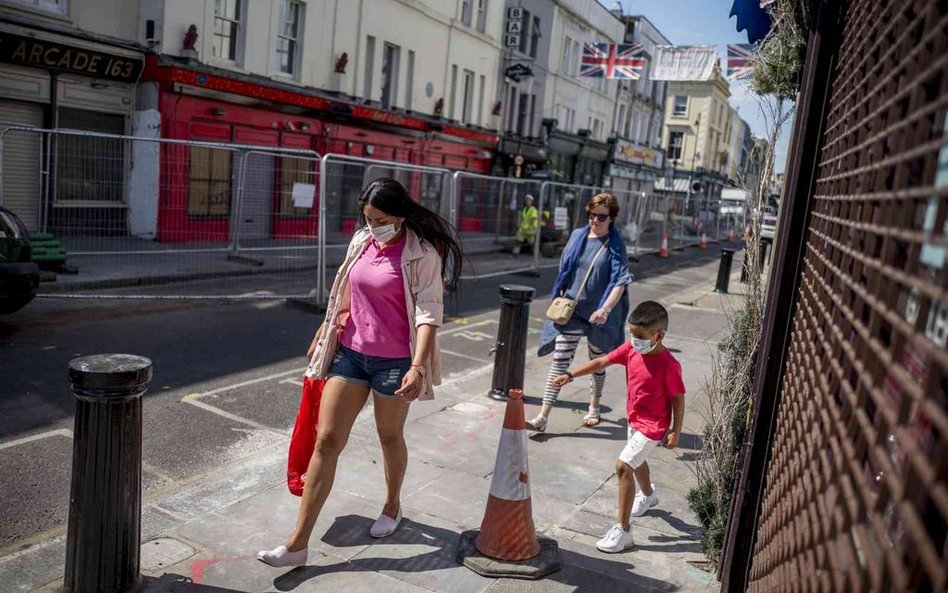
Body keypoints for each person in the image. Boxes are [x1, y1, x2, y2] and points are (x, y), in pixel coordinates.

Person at [257, 178, 462, 567]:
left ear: (400, 215)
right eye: (367, 218)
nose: (373, 226)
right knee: (326, 440)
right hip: (351, 354)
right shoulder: (362, 241)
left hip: (395, 362)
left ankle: (392, 504)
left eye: (380, 219)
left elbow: (428, 313)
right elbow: (345, 292)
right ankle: (298, 544)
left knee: (389, 436)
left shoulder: (422, 253)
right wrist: (324, 331)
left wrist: (417, 367)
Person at [549, 301, 685, 553]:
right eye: (632, 333)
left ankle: (623, 531)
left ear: (659, 335)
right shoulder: (631, 350)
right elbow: (602, 362)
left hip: (654, 426)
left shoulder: (669, 365)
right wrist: (570, 375)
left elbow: (678, 398)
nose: (634, 339)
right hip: (634, 418)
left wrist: (676, 431)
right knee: (637, 462)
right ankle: (648, 495)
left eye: (640, 336)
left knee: (624, 466)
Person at [527, 193, 632, 432]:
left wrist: (605, 309)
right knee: (559, 362)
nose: (595, 220)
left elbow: (621, 280)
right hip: (572, 311)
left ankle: (594, 406)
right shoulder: (578, 235)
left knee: (597, 364)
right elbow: (566, 270)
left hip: (599, 314)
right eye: (592, 215)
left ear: (611, 218)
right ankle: (542, 417)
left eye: (602, 217)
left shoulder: (616, 243)